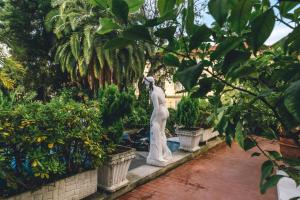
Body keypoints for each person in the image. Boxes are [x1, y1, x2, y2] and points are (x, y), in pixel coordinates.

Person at [143, 76, 172, 166]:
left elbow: (156, 108)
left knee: (156, 133)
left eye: (146, 84)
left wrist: (151, 119)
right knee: (162, 134)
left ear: (149, 83)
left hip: (160, 112)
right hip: (165, 111)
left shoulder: (153, 94)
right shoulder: (159, 89)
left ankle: (157, 157)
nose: (145, 85)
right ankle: (167, 153)